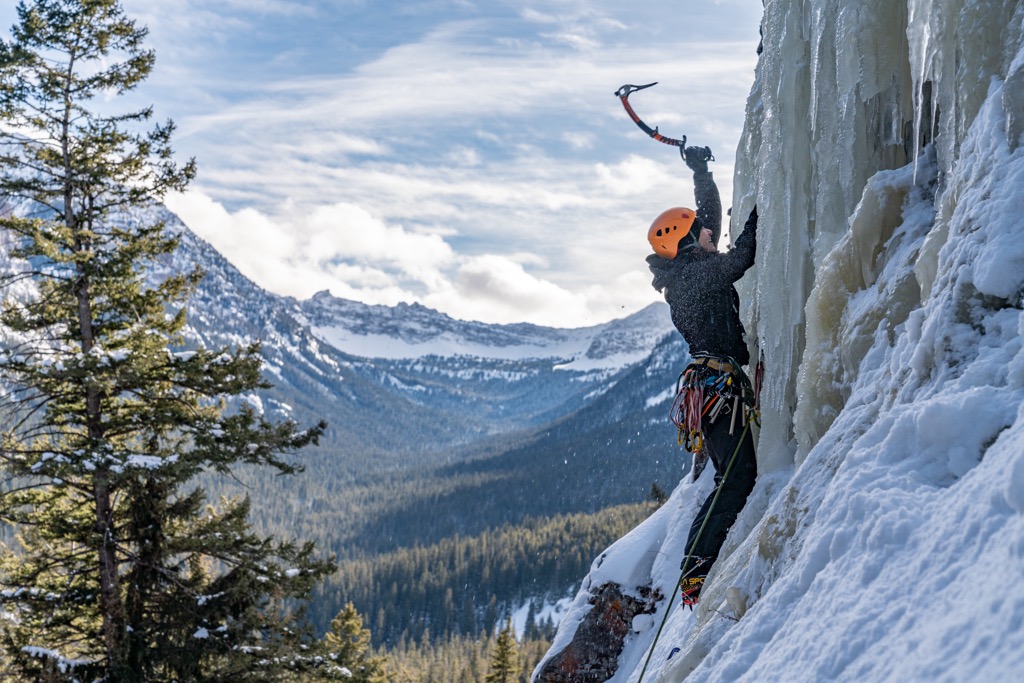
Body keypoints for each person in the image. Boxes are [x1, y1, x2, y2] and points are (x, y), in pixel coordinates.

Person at [645, 145, 759, 608]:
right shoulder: (694, 279)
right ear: (690, 244)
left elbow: (706, 215)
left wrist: (701, 171)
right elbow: (742, 258)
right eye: (701, 232)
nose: (711, 231)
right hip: (716, 392)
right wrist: (760, 214)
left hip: (714, 391)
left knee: (731, 477)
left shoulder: (690, 269)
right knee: (735, 479)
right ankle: (695, 567)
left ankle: (697, 562)